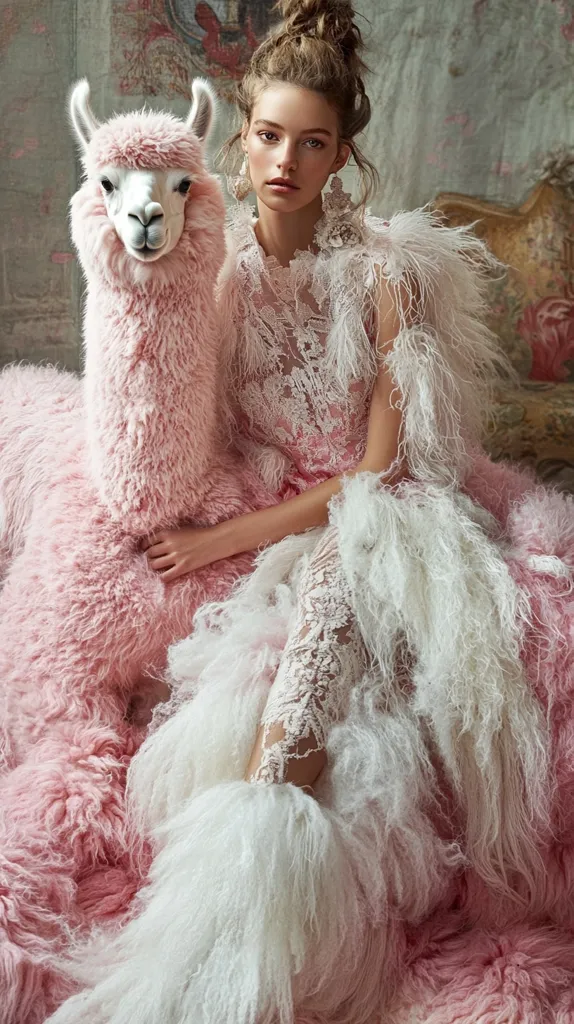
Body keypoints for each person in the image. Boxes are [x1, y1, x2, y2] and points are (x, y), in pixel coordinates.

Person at [48, 1, 571, 1022]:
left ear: (342, 158)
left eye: (314, 142)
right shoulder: (218, 275)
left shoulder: (387, 277)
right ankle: (210, 962)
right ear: (240, 142)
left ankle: (223, 977)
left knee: (292, 733)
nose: (285, 160)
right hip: (265, 512)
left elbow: (376, 472)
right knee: (225, 713)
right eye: (269, 135)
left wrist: (218, 538)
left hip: (378, 522)